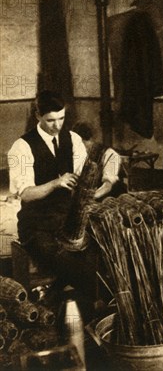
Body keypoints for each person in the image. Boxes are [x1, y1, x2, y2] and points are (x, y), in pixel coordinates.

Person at [7, 90, 100, 320]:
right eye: (50, 120)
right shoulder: (22, 147)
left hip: (68, 220)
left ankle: (64, 300)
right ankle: (89, 308)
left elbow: (83, 178)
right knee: (67, 261)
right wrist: (56, 183)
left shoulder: (74, 139)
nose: (57, 125)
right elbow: (26, 194)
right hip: (37, 225)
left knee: (97, 254)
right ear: (37, 115)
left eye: (61, 118)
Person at [71, 121, 127, 199]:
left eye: (83, 143)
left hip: (108, 197)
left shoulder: (110, 154)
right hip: (86, 198)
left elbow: (107, 186)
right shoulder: (77, 153)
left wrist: (89, 198)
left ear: (91, 139)